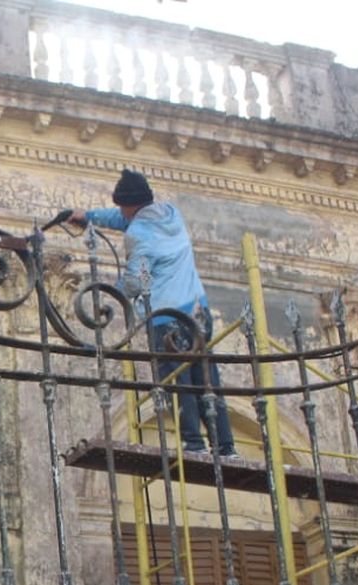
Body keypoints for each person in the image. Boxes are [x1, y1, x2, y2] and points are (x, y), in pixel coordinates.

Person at [71, 168, 237, 456]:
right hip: (198, 311)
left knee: (177, 382)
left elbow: (139, 280)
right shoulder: (170, 214)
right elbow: (124, 220)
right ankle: (225, 446)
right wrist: (89, 217)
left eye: (122, 206)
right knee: (206, 378)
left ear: (130, 205)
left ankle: (193, 445)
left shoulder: (140, 236)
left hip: (167, 317)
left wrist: (113, 297)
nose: (121, 211)